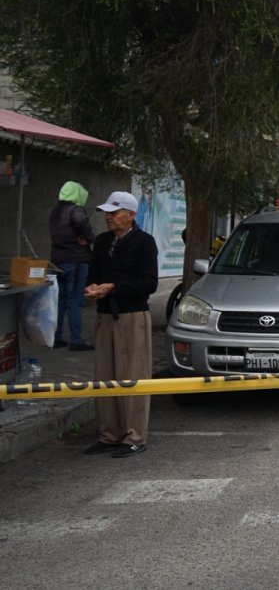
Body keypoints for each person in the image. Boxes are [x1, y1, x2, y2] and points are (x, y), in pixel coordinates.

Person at [83, 191, 159, 458]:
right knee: (104, 376)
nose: (109, 218)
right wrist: (92, 287)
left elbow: (150, 283)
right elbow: (93, 274)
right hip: (105, 315)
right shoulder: (102, 242)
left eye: (114, 213)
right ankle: (109, 434)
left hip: (132, 316)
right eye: (107, 213)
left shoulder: (144, 242)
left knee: (133, 376)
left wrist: (114, 287)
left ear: (129, 215)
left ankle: (134, 435)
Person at [48, 180, 96, 350]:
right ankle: (76, 341)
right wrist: (89, 239)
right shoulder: (76, 210)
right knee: (75, 301)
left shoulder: (55, 211)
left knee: (60, 301)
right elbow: (82, 224)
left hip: (58, 261)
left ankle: (55, 337)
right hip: (76, 260)